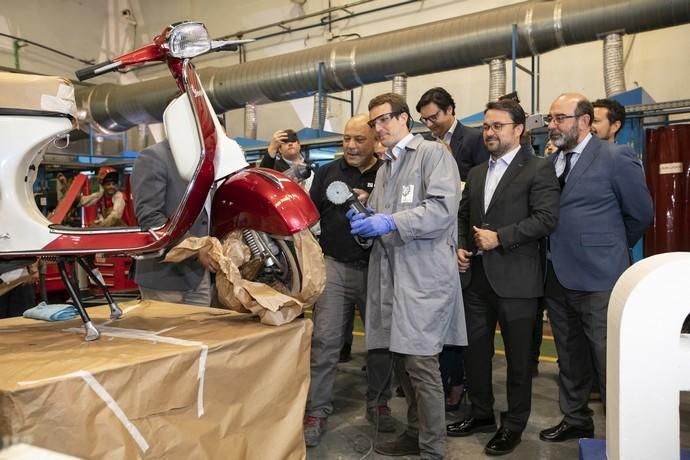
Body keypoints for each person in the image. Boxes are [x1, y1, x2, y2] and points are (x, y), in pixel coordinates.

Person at [350, 92, 466, 459]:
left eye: (384, 119)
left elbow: (441, 211)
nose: (378, 128)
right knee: (400, 358)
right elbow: (381, 221)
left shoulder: (433, 155)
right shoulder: (385, 168)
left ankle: (433, 449)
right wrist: (365, 225)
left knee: (420, 363)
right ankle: (415, 434)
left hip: (422, 277)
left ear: (404, 119)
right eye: (374, 123)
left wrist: (388, 221)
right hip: (391, 275)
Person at [446, 99, 560, 456]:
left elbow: (546, 219)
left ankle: (513, 425)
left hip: (518, 281)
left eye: (497, 126)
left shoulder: (539, 168)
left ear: (518, 130)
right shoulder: (478, 172)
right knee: (475, 354)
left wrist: (502, 237)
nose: (490, 132)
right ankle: (481, 413)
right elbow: (464, 216)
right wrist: (461, 247)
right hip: (478, 279)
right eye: (486, 126)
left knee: (518, 361)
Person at [539, 93, 652, 443]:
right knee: (569, 355)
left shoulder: (616, 156)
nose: (551, 125)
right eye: (550, 119)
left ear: (584, 121)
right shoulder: (552, 162)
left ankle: (624, 431)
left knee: (609, 359)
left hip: (601, 276)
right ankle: (576, 419)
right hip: (556, 273)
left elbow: (640, 214)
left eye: (560, 118)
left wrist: (609, 246)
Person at [303, 114, 393, 447]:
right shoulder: (327, 174)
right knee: (325, 342)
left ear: (375, 141)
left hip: (377, 267)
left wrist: (375, 203)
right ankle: (317, 410)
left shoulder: (387, 171)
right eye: (346, 139)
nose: (351, 146)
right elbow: (309, 218)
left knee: (381, 342)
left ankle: (379, 404)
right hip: (335, 267)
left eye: (359, 140)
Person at [131, 140, 217, 307]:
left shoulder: (207, 160)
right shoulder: (154, 156)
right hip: (164, 277)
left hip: (199, 276)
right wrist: (196, 248)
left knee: (202, 333)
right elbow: (150, 218)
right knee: (165, 332)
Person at [415, 87, 489, 181]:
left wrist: (449, 161)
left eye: (433, 117)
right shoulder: (424, 142)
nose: (429, 124)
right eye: (424, 119)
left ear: (449, 110)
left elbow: (481, 181)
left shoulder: (475, 139)